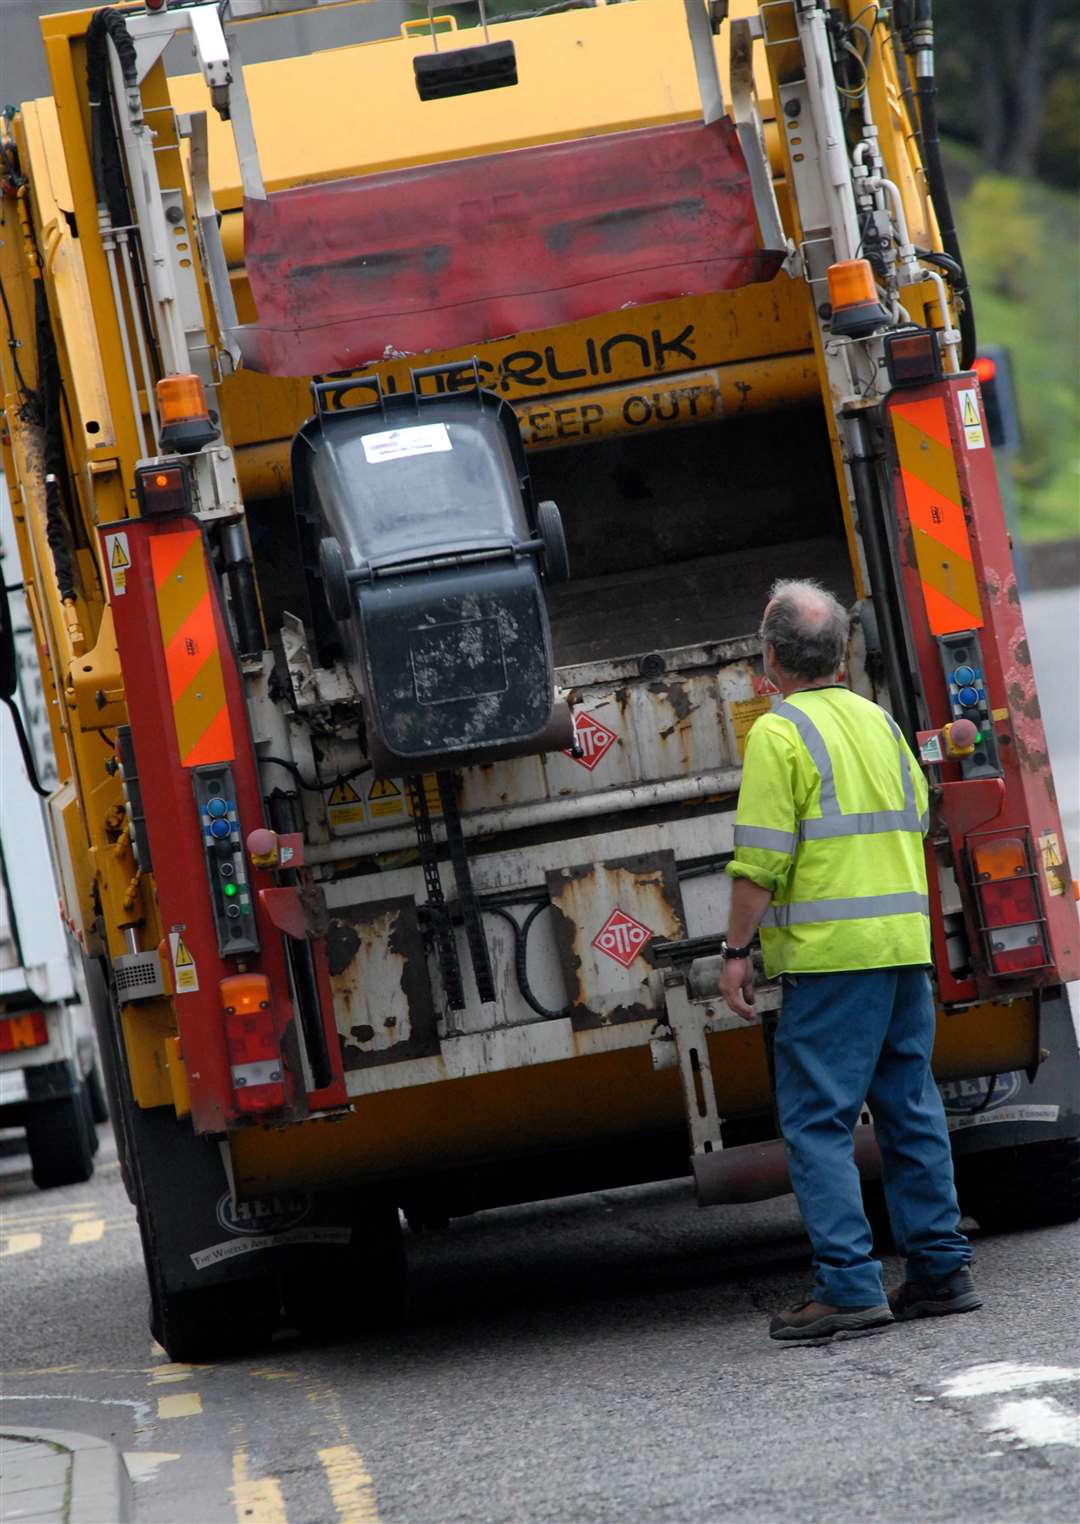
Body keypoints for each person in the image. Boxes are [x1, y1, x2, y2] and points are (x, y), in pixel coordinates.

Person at [719, 578, 979, 1343]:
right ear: (841, 652)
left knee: (819, 1121)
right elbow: (918, 822)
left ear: (770, 660)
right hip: (903, 949)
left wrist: (736, 952)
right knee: (911, 1107)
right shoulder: (882, 723)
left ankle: (847, 1285)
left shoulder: (780, 732)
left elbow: (761, 859)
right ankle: (940, 1268)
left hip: (834, 962)